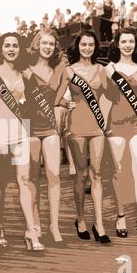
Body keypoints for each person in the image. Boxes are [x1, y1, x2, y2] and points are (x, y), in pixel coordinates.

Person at [0, 32, 44, 251]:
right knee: (0, 183)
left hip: (20, 133)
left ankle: (32, 233)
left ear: (20, 48)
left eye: (15, 45)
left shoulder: (25, 73)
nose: (11, 49)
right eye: (7, 45)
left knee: (23, 181)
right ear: (1, 49)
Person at [56, 30, 111, 244]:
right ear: (77, 47)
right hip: (76, 126)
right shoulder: (69, 71)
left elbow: (108, 96)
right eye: (83, 44)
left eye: (90, 45)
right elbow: (57, 97)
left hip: (97, 127)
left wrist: (105, 118)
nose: (86, 48)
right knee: (81, 174)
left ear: (95, 47)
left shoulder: (101, 70)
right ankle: (80, 219)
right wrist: (65, 104)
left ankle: (99, 223)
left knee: (97, 174)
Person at [105, 29, 137, 242]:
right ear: (117, 44)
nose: (127, 45)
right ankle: (121, 215)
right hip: (115, 125)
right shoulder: (109, 69)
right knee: (118, 171)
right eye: (123, 41)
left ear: (136, 45)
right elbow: (104, 99)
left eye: (131, 41)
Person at [23, 28, 64, 242]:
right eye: (44, 43)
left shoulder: (58, 69)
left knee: (54, 175)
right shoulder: (26, 69)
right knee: (32, 178)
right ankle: (35, 223)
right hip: (29, 127)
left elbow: (58, 98)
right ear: (37, 44)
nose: (47, 47)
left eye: (51, 44)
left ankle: (54, 224)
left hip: (50, 128)